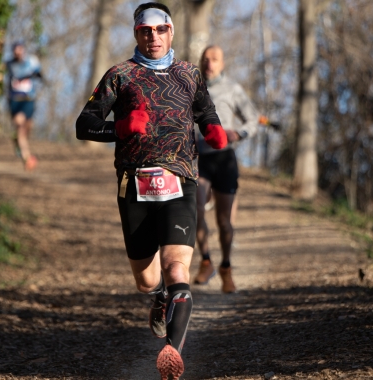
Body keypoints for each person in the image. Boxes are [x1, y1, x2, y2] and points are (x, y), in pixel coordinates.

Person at [75, 3, 227, 379]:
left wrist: (213, 129)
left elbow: (206, 111)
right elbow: (84, 124)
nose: (153, 37)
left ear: (171, 31)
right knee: (146, 280)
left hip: (181, 181)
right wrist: (120, 128)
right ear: (136, 34)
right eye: (145, 31)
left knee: (179, 269)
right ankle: (159, 296)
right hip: (134, 184)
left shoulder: (189, 74)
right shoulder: (120, 75)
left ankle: (171, 352)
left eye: (160, 30)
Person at [192, 45, 261, 293]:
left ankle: (226, 268)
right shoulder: (192, 87)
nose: (209, 63)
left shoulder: (233, 89)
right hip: (199, 158)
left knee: (224, 222)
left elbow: (253, 119)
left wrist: (238, 133)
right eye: (205, 59)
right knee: (196, 208)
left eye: (215, 59)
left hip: (224, 159)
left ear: (223, 64)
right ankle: (206, 261)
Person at [5, 42, 43, 171]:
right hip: (15, 100)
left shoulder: (32, 61)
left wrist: (35, 75)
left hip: (29, 100)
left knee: (26, 129)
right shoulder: (9, 64)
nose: (18, 53)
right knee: (20, 126)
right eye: (16, 51)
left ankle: (19, 143)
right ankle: (27, 158)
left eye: (20, 51)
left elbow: (39, 73)